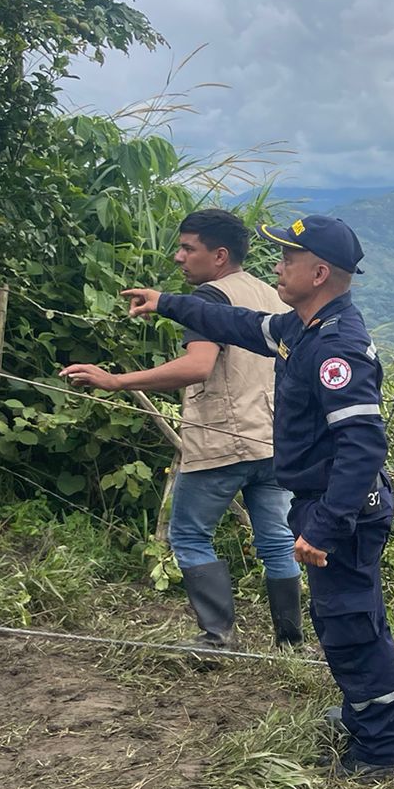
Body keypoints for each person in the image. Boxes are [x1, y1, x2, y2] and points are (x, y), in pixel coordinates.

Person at [118, 214, 394, 780]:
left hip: (340, 511)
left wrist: (323, 528)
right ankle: (362, 714)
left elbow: (364, 447)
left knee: (350, 625)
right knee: (348, 619)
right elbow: (237, 322)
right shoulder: (301, 327)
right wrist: (166, 301)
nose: (278, 266)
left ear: (319, 272)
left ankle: (380, 750)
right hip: (323, 503)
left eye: (288, 259)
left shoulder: (336, 349)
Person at [62, 208, 302, 649]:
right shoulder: (271, 294)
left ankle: (217, 637)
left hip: (221, 439)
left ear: (219, 255)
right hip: (271, 440)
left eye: (188, 248)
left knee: (190, 535)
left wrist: (116, 381)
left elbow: (197, 365)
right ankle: (291, 642)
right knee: (277, 543)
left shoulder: (208, 300)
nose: (178, 257)